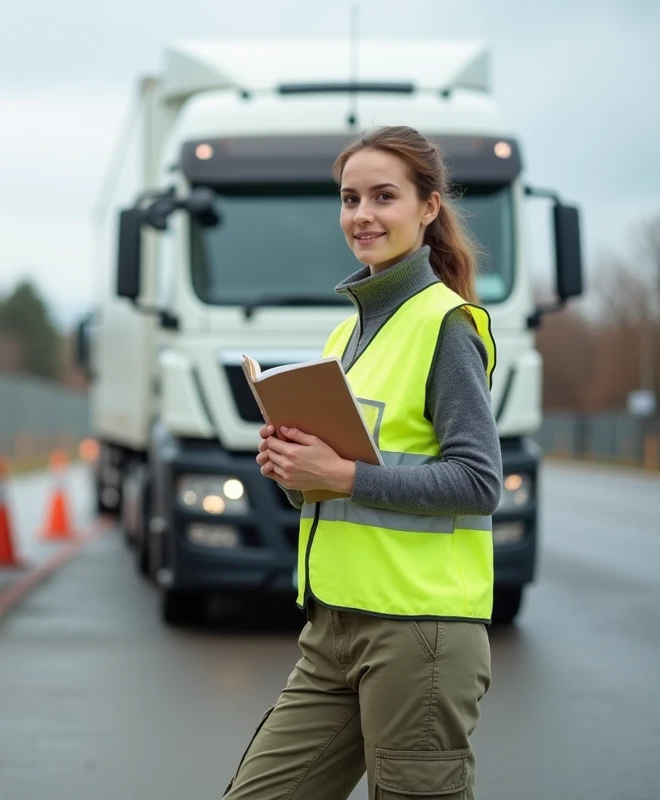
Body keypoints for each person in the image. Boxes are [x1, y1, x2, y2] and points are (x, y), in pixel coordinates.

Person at [222, 125, 503, 800]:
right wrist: (298, 470)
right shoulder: (347, 331)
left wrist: (341, 475)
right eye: (350, 199)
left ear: (428, 208)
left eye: (384, 196)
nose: (363, 215)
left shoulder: (446, 325)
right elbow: (347, 475)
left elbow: (479, 481)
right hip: (333, 628)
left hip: (418, 635)